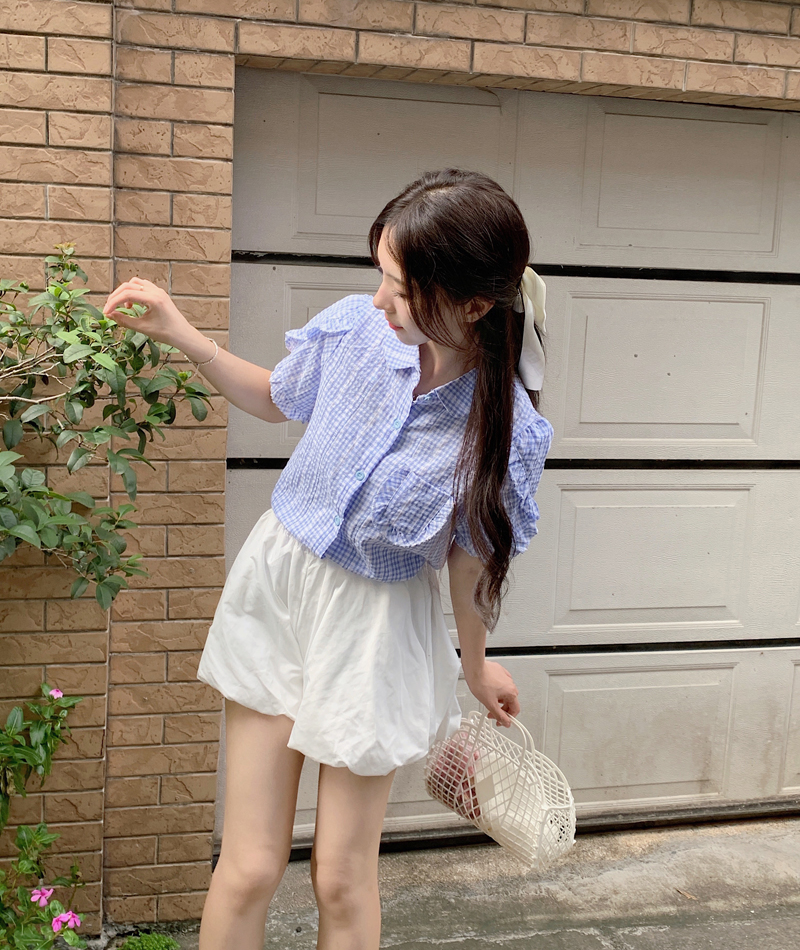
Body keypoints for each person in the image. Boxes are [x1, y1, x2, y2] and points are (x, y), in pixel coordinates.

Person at [102, 168, 553, 950]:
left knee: (341, 878)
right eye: (380, 275)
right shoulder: (352, 331)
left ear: (474, 305)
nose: (379, 301)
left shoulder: (506, 429)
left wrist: (477, 667)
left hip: (375, 626)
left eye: (400, 288)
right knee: (249, 866)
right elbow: (274, 396)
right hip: (280, 592)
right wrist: (183, 333)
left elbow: (469, 563)